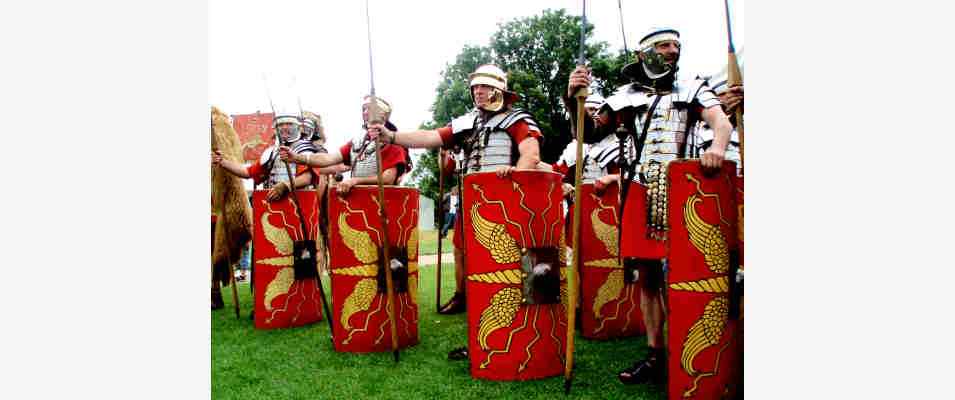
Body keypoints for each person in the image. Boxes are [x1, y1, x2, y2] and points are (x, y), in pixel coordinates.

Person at [566, 27, 734, 385]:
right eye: (664, 45)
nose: (673, 50)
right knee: (648, 278)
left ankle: (694, 348)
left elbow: (720, 119)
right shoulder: (626, 97)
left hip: (686, 191)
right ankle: (656, 353)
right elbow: (589, 133)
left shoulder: (691, 88)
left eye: (676, 44)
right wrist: (573, 98)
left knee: (689, 274)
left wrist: (718, 146)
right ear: (645, 53)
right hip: (642, 190)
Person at [365, 64, 543, 356]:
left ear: (499, 88)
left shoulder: (517, 119)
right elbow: (430, 137)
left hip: (506, 208)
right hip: (475, 207)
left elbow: (531, 155)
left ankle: (511, 340)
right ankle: (479, 340)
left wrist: (514, 187)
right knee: (478, 273)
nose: (478, 93)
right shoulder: (467, 123)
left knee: (508, 273)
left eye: (484, 87)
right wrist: (392, 136)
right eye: (475, 88)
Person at [279, 96, 410, 192]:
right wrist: (297, 158)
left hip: (382, 201)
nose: (365, 112)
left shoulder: (393, 141)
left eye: (369, 109)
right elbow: (329, 159)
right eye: (363, 109)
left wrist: (356, 181)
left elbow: (388, 179)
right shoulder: (356, 142)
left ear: (383, 114)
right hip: (356, 198)